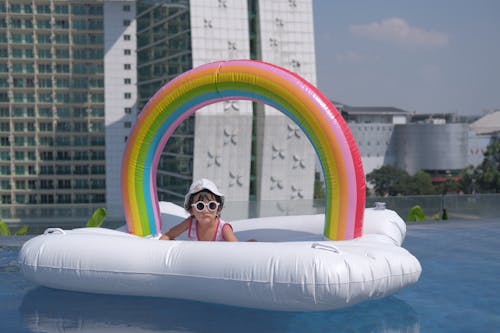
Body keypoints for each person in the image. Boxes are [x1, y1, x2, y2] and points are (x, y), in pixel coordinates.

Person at [159, 178, 238, 242]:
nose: (206, 210)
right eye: (200, 206)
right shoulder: (190, 222)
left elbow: (237, 249)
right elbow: (167, 235)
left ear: (218, 208)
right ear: (191, 210)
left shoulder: (223, 228)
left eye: (212, 205)